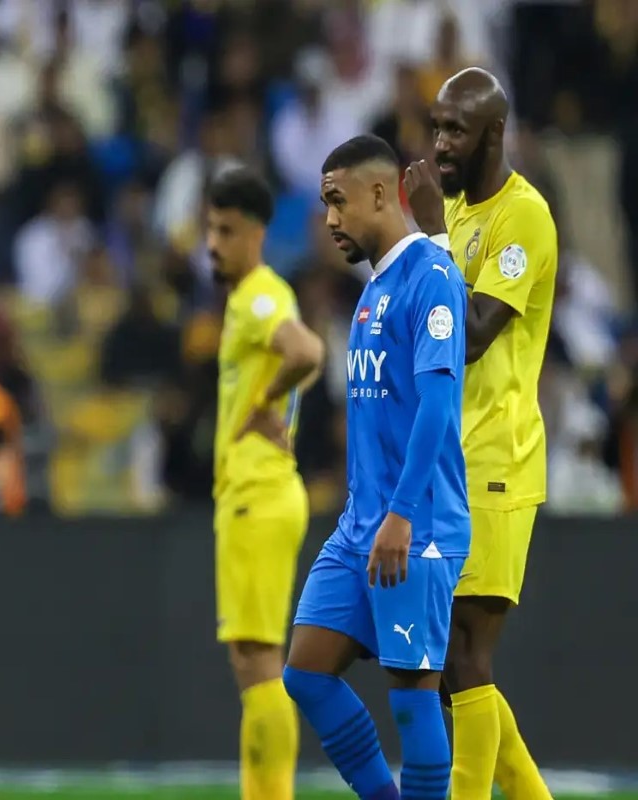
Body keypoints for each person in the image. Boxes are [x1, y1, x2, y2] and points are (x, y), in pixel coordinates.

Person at [283, 134, 469, 800]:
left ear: (380, 193)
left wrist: (400, 513)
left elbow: (438, 407)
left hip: (412, 527)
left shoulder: (431, 277)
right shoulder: (372, 291)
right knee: (305, 674)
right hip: (361, 526)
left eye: (338, 201)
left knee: (415, 702)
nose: (329, 219)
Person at [404, 66, 556, 800]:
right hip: (449, 461)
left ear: (495, 134)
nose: (440, 144)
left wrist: (431, 229)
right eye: (436, 127)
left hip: (497, 459)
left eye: (456, 130)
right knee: (446, 662)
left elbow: (470, 335)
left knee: (463, 652)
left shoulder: (520, 218)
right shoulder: (460, 217)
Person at [205, 163, 323, 800]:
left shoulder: (257, 295)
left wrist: (264, 405)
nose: (212, 244)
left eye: (224, 230)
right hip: (259, 495)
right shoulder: (254, 296)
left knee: (258, 664)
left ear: (254, 233)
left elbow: (307, 351)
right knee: (255, 661)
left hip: (258, 493)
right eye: (209, 229)